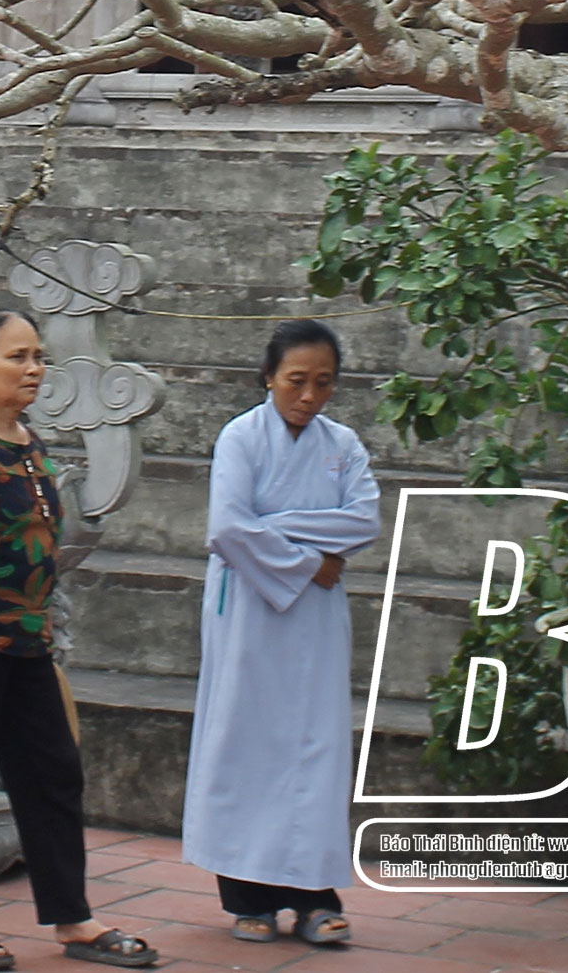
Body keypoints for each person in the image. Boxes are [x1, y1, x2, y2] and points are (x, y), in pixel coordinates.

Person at [0, 309, 159, 970]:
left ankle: (73, 918)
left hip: (29, 648)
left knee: (54, 777)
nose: (33, 369)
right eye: (17, 357)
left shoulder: (31, 444)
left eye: (38, 357)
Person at [180, 319, 382, 950]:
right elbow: (227, 528)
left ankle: (316, 897)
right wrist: (309, 561)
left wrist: (276, 528)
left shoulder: (343, 444)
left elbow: (365, 521)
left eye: (324, 382)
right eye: (297, 380)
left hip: (315, 618)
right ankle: (249, 898)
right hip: (249, 607)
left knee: (316, 743)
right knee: (245, 740)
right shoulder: (240, 437)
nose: (309, 395)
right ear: (269, 376)